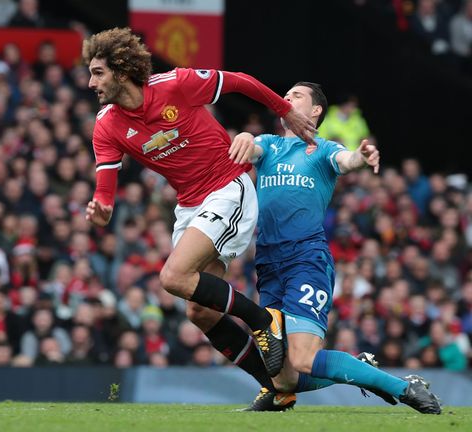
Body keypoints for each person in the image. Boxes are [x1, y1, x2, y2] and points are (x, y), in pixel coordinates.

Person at [82, 27, 318, 389]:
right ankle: (276, 388)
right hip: (189, 205)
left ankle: (262, 321)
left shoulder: (175, 84)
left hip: (227, 186)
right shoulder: (107, 126)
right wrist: (102, 209)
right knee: (200, 311)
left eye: (98, 73)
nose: (90, 82)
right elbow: (105, 190)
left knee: (172, 277)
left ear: (122, 71)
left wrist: (286, 111)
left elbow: (241, 82)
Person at [228, 81, 441, 414]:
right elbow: (250, 148)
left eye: (296, 96)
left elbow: (347, 160)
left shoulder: (324, 149)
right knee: (283, 381)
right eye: (284, 95)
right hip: (268, 263)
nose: (286, 98)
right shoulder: (268, 145)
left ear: (315, 111)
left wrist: (362, 155)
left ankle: (404, 388)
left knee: (302, 358)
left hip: (306, 259)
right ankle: (358, 367)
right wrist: (242, 137)